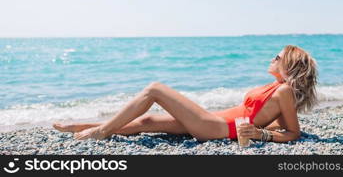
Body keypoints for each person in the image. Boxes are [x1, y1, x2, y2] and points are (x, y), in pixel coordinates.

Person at [53, 45, 318, 143]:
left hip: (214, 126)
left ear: (289, 65)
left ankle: (99, 132)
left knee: (155, 89)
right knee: (148, 122)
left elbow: (292, 132)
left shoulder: (283, 90)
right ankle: (82, 128)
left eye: (278, 57)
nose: (272, 58)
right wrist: (263, 127)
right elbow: (274, 121)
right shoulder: (273, 88)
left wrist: (261, 135)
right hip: (213, 120)